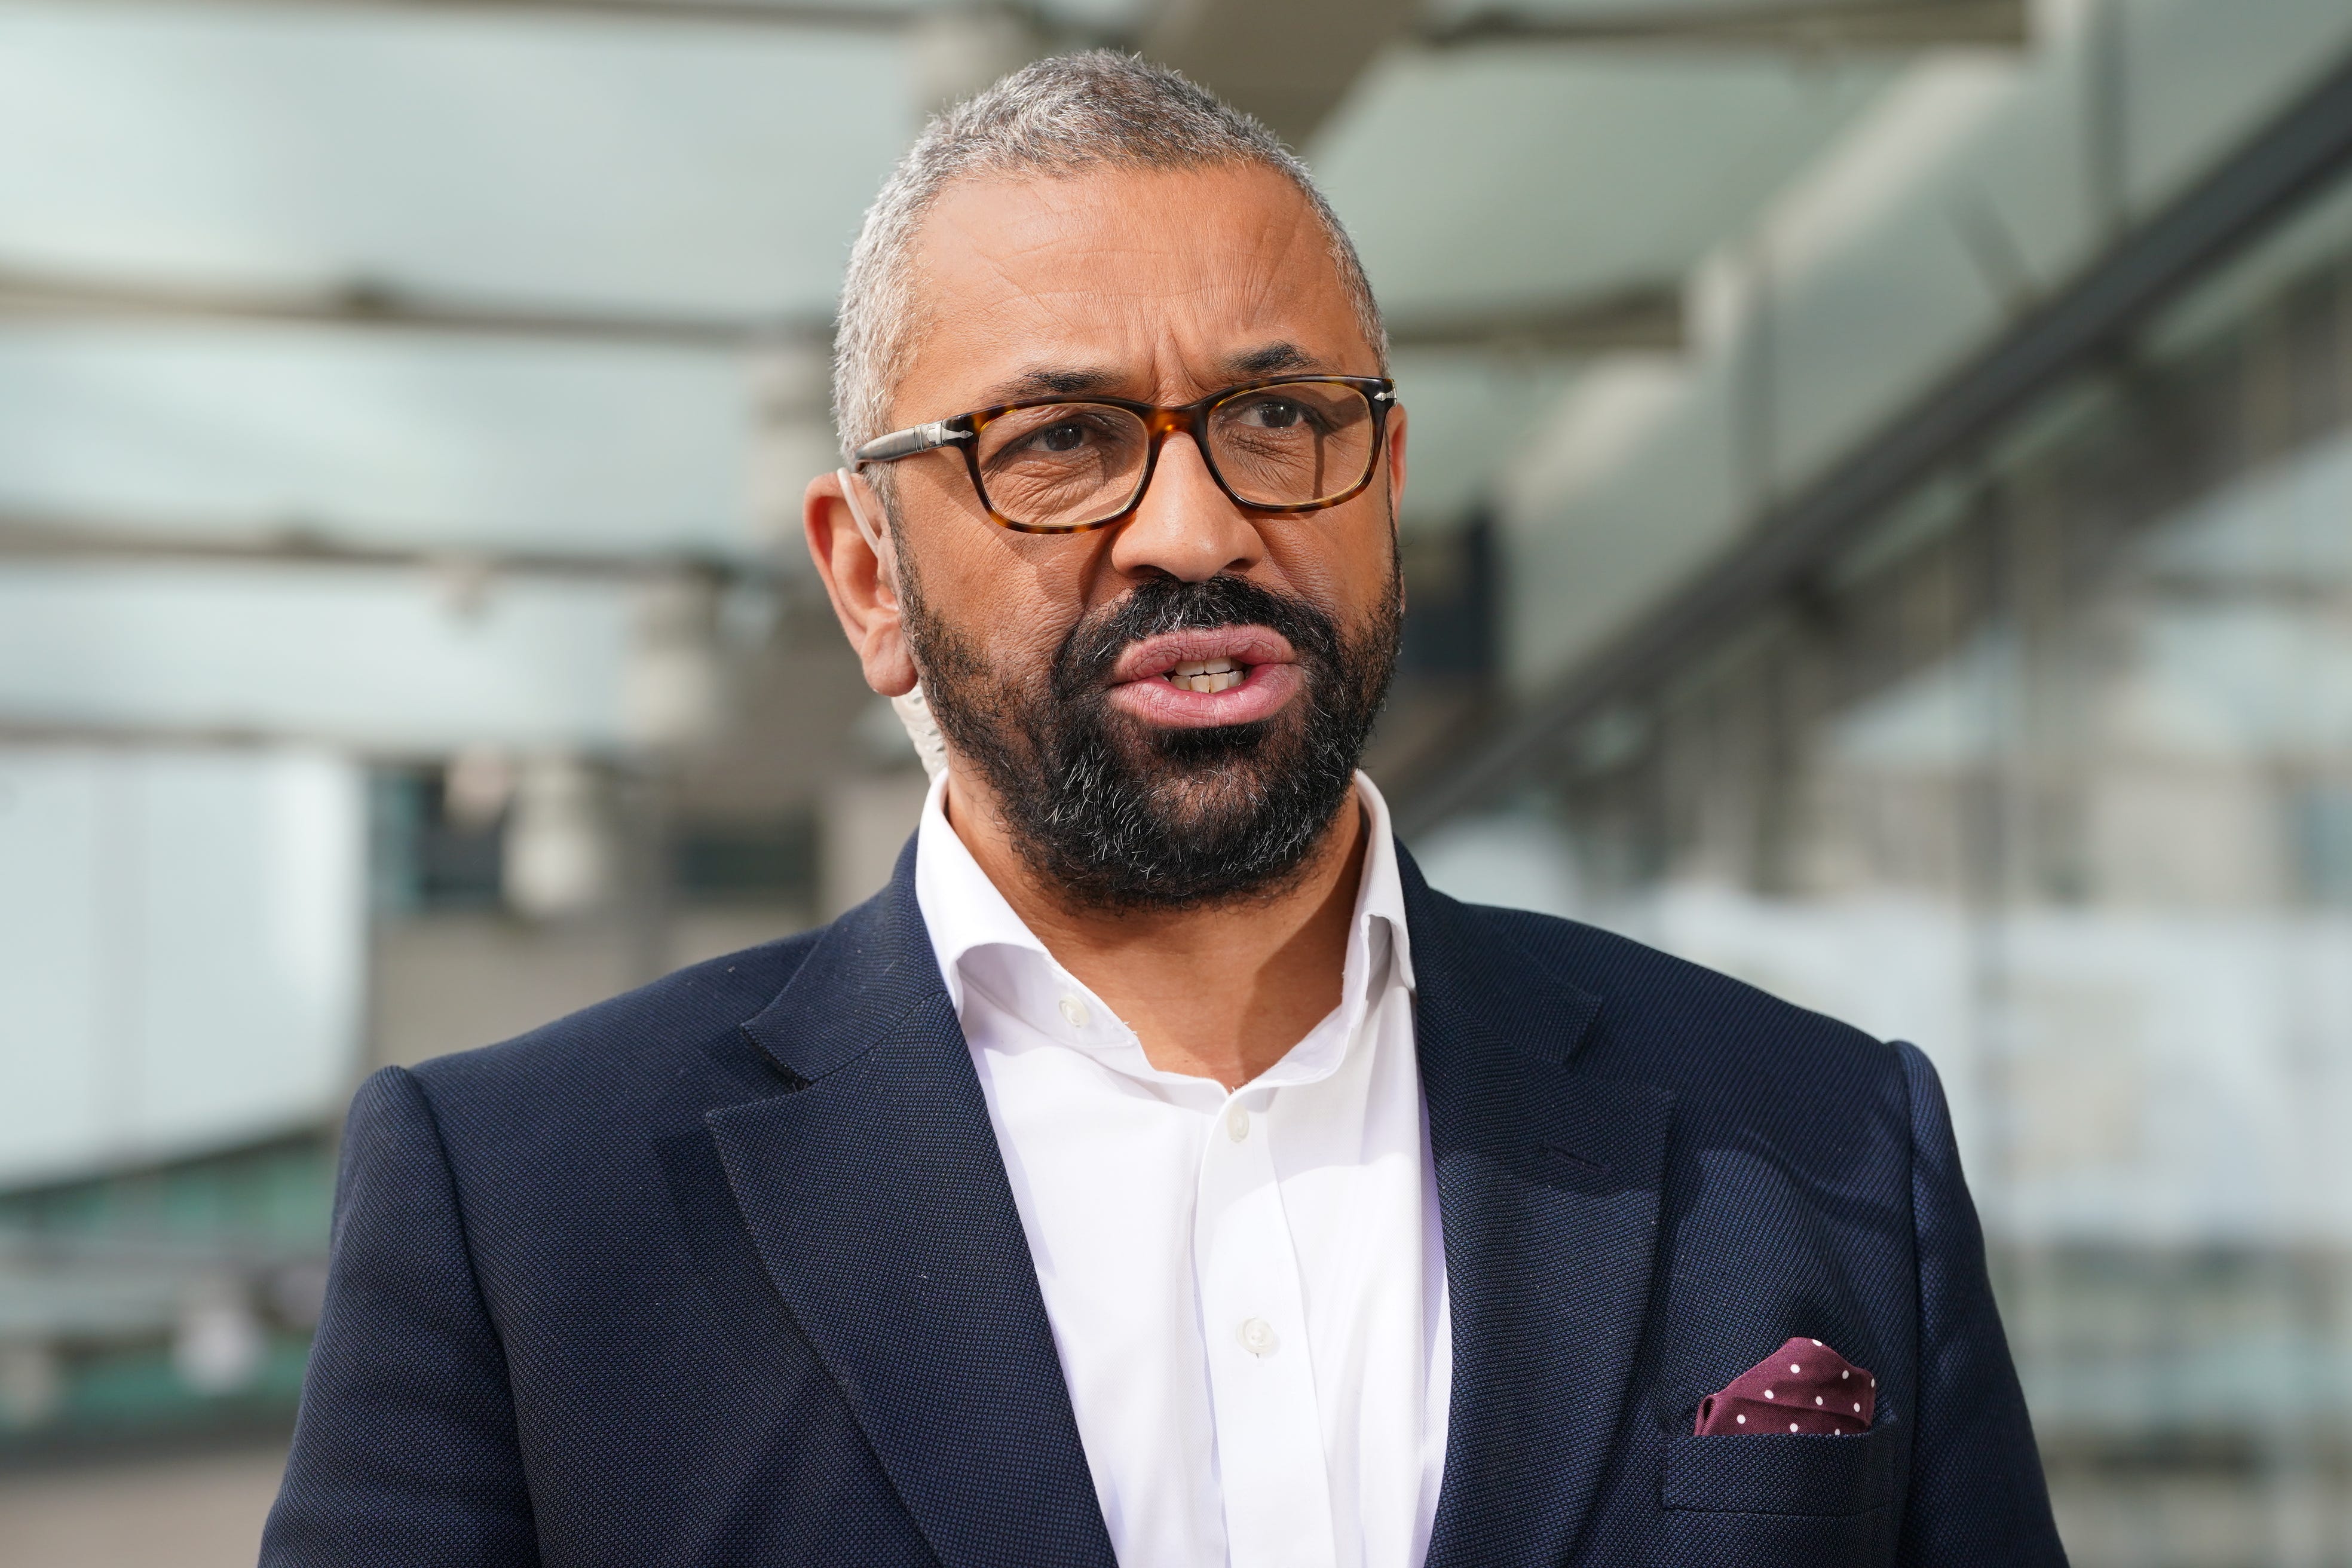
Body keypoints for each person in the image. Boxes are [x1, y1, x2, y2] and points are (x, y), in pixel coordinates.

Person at [262, 52, 2066, 1568]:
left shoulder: (1824, 1150)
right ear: (869, 578)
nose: (1196, 529)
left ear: (1387, 488)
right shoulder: (526, 1215)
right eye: (1058, 443)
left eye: (1275, 417)